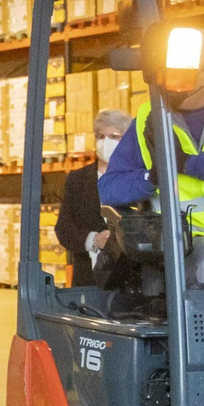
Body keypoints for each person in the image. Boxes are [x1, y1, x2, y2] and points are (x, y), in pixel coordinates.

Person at [98, 34, 204, 286]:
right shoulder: (151, 116)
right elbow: (109, 187)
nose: (167, 82)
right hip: (187, 243)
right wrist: (152, 177)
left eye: (178, 73)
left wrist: (186, 163)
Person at [56, 110, 132, 287]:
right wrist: (94, 240)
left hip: (129, 278)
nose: (106, 142)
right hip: (87, 278)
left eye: (114, 136)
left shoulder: (135, 178)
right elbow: (64, 228)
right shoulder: (78, 180)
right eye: (101, 136)